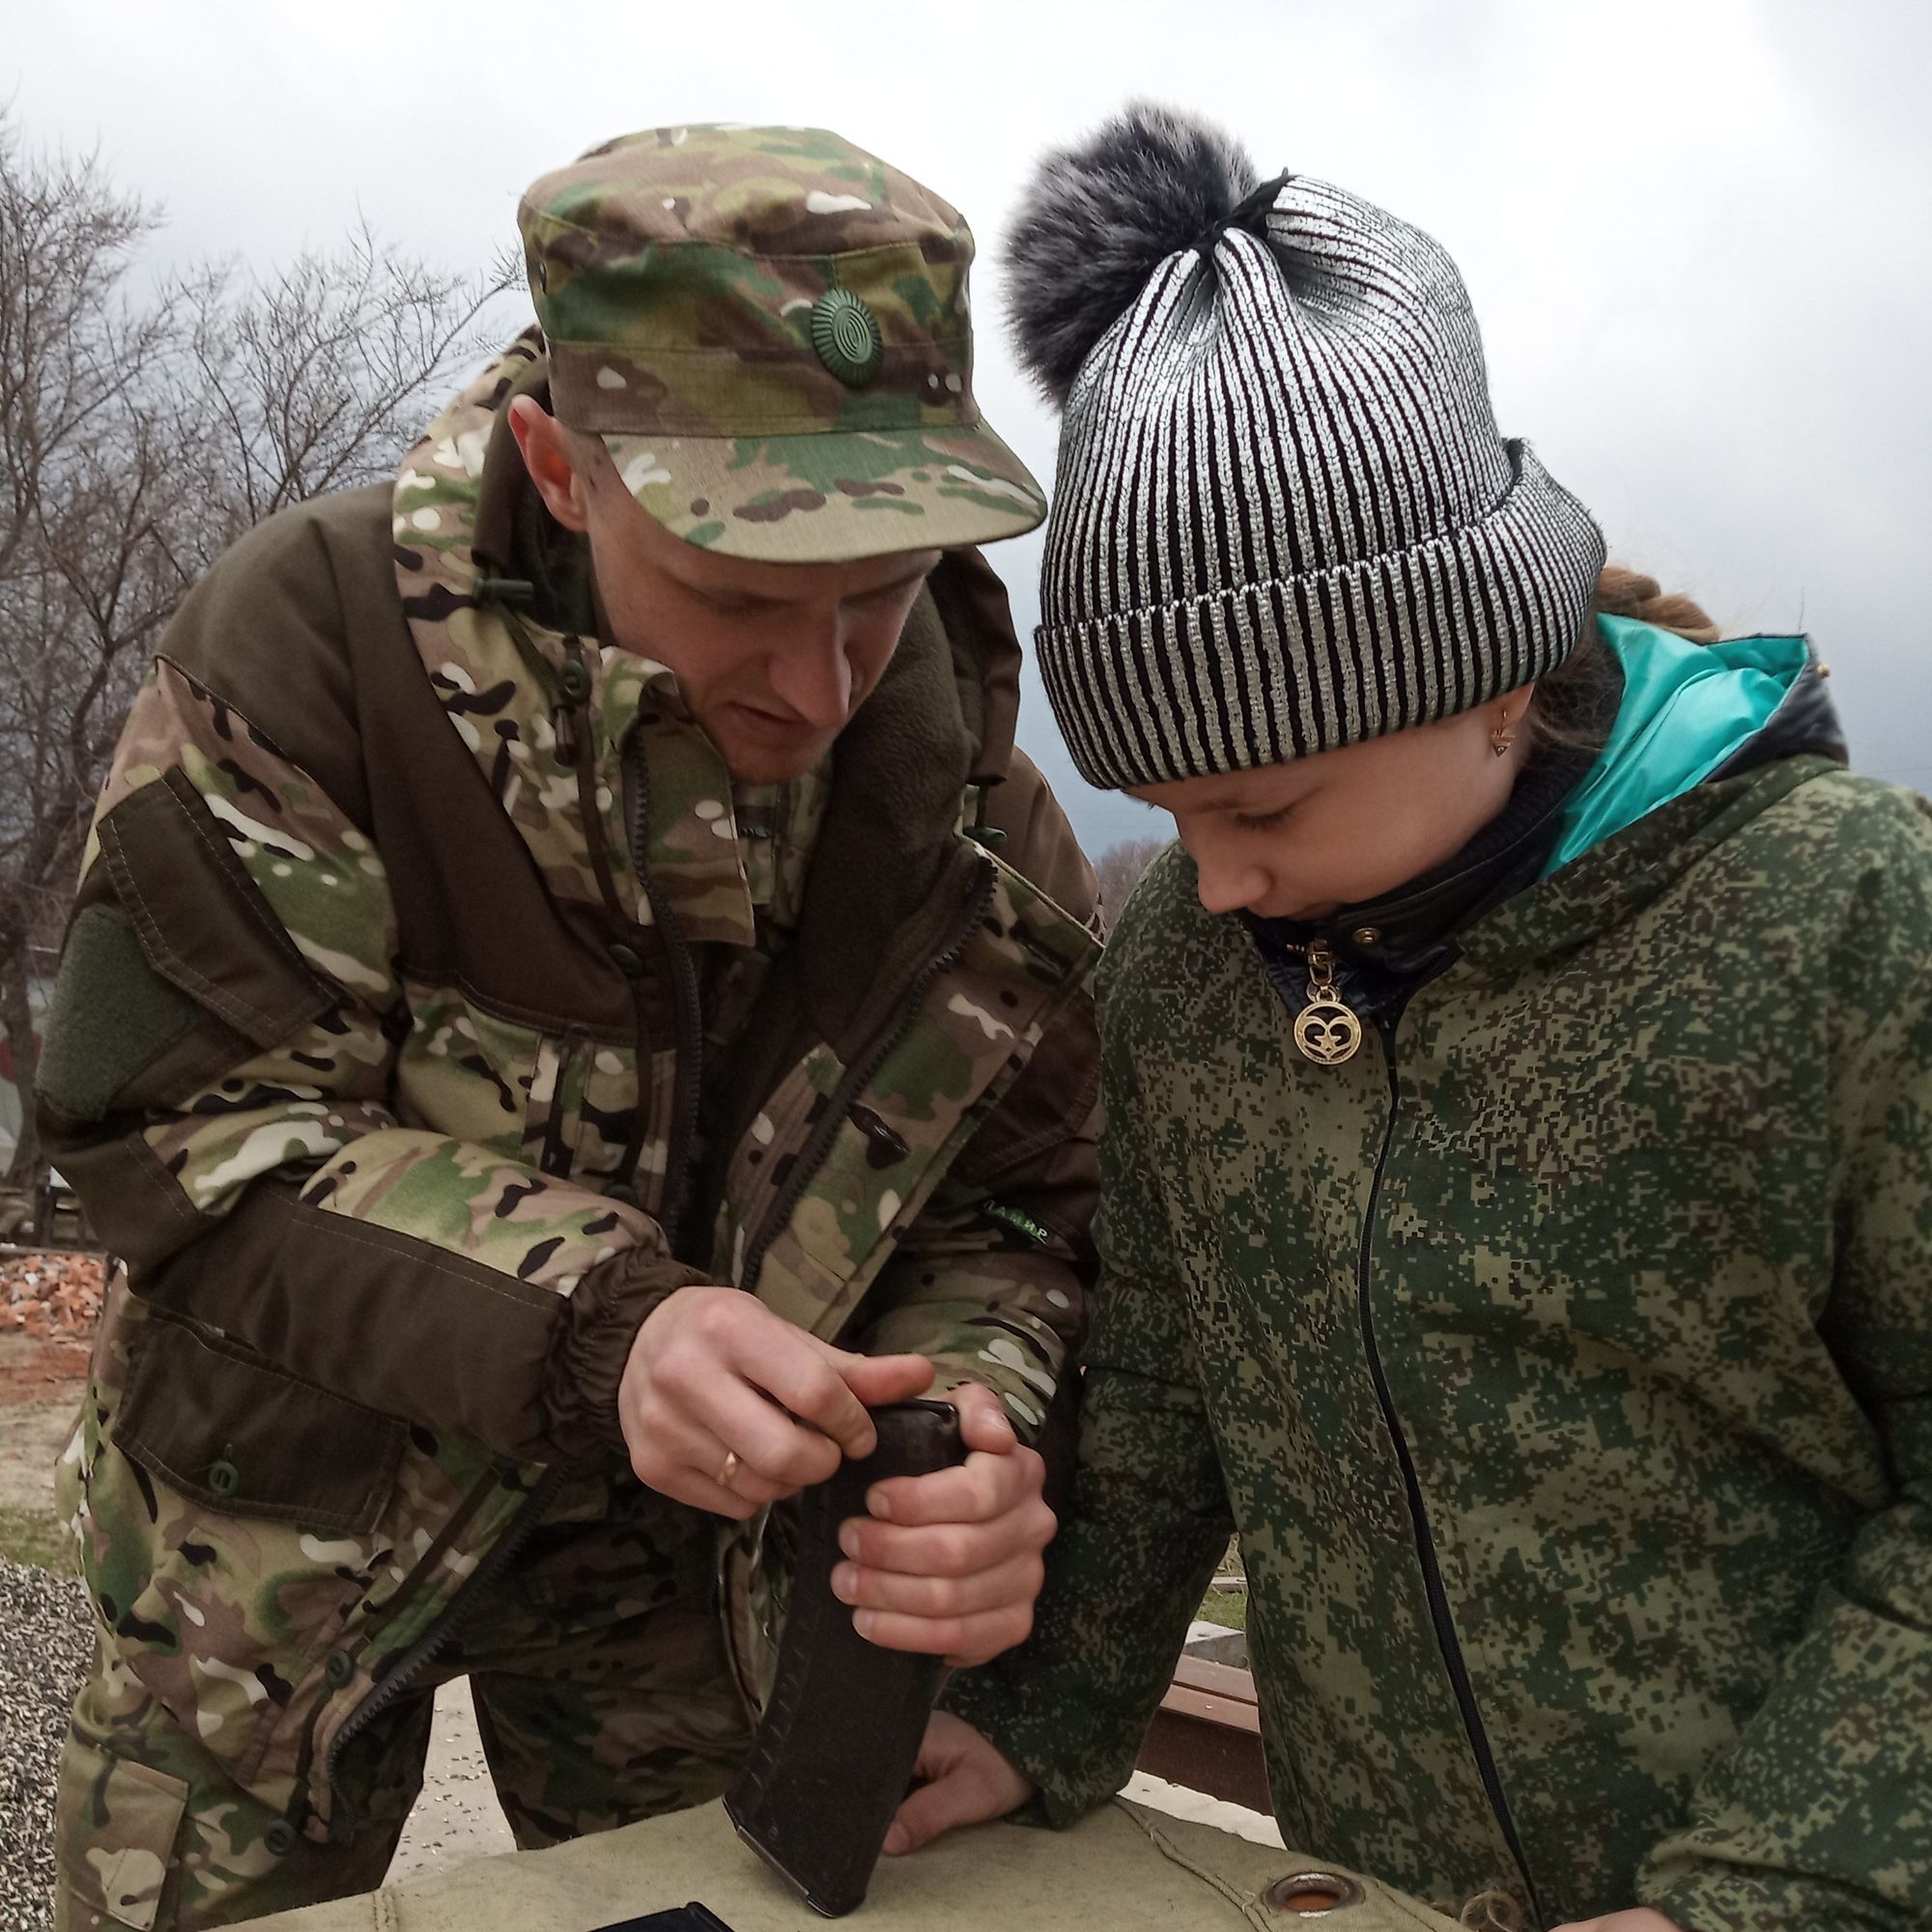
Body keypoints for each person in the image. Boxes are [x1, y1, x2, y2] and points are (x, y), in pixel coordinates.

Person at [40, 126, 1103, 1931]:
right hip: (273, 1542)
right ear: (561, 465)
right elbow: (187, 1142)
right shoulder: (312, 652)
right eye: (743, 598)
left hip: (688, 1582)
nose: (820, 686)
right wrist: (609, 1327)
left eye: (881, 589)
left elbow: (1020, 1210)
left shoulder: (966, 805)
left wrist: (975, 1426)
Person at [897, 104, 1932, 1932]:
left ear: (1489, 681)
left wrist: (1766, 1895)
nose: (1210, 881)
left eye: (1264, 806)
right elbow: (1165, 1382)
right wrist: (1040, 1710)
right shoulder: (1191, 974)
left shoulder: (1840, 923)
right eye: (1168, 809)